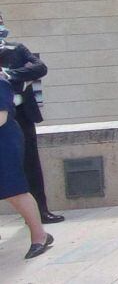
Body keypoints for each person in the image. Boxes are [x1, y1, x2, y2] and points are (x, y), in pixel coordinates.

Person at [0, 12, 62, 224]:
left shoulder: (16, 49)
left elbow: (39, 67)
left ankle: (41, 211)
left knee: (31, 164)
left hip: (21, 115)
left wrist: (10, 74)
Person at [0, 74, 54, 258]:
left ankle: (40, 236)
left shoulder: (1, 83)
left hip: (4, 145)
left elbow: (1, 117)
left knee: (15, 191)